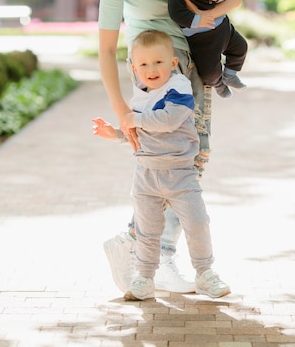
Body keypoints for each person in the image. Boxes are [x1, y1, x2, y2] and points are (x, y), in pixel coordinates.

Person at [90, 0, 242, 294]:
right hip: (152, 72)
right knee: (174, 161)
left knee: (193, 159)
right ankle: (150, 250)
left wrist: (204, 16)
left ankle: (142, 244)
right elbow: (105, 50)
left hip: (192, 62)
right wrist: (122, 109)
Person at [92, 30, 231, 300]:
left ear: (172, 63)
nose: (151, 69)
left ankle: (205, 273)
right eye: (143, 64)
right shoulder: (141, 97)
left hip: (180, 176)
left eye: (158, 62)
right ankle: (144, 278)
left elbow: (167, 121)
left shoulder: (179, 88)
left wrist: (133, 120)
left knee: (197, 223)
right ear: (134, 68)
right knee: (148, 231)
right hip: (146, 177)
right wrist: (117, 134)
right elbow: (142, 134)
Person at [169, 0, 248, 99]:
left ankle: (230, 75)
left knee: (241, 48)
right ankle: (218, 84)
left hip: (224, 28)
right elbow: (176, 13)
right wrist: (197, 20)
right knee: (209, 73)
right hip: (203, 39)